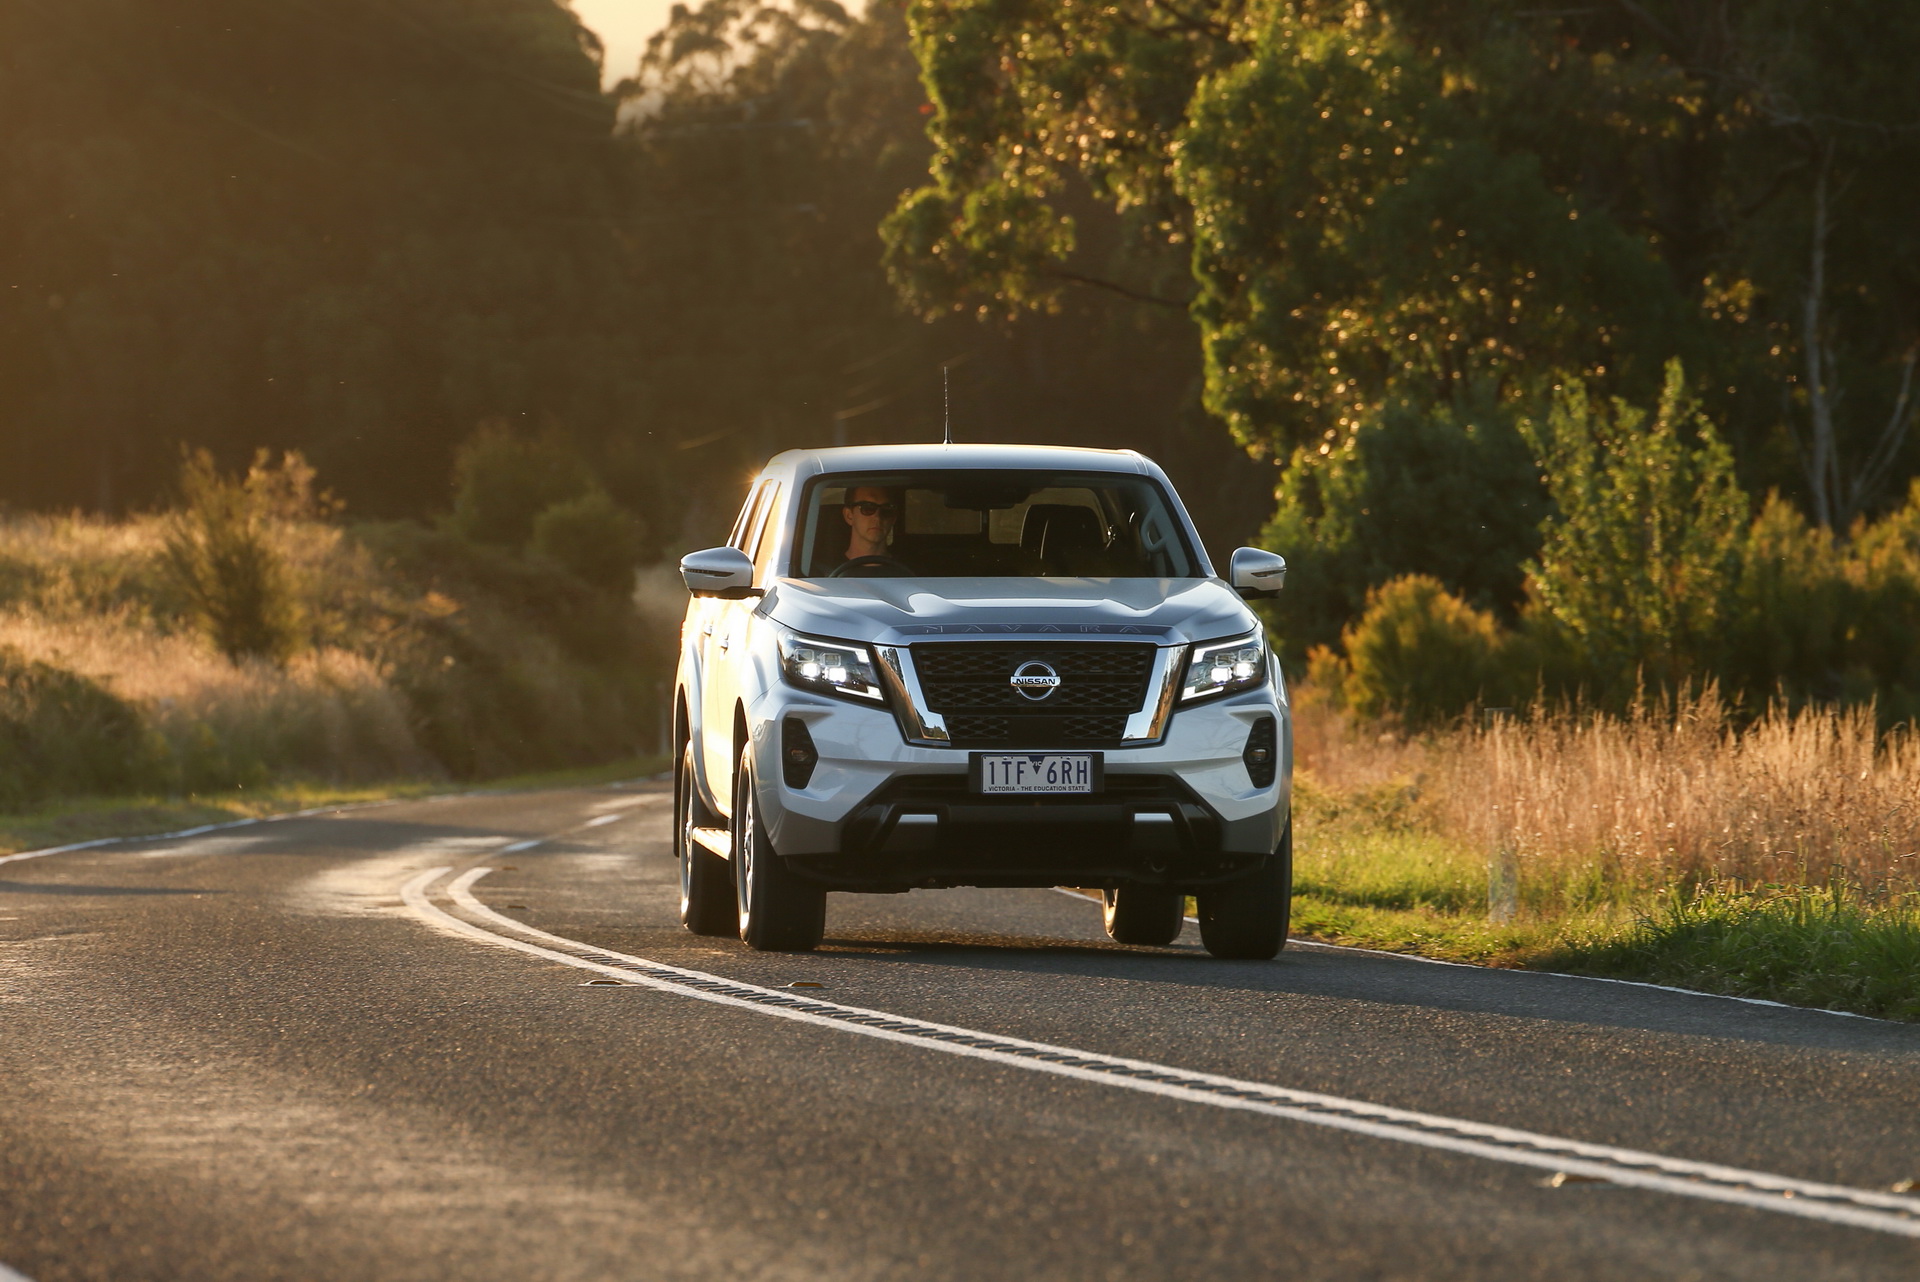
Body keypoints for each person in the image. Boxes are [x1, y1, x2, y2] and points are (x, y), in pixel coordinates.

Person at [839, 485, 900, 567]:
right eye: (867, 508)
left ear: (893, 518)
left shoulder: (909, 571)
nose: (878, 517)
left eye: (886, 509)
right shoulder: (826, 571)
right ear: (849, 515)